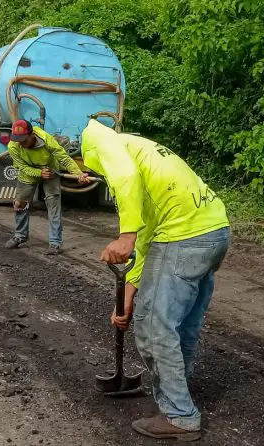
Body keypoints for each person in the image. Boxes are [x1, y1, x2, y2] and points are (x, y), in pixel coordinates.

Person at [80, 119, 231, 441]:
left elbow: (124, 179)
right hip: (214, 232)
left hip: (183, 238)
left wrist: (125, 236)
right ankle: (180, 386)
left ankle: (180, 416)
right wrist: (129, 297)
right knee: (182, 324)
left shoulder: (103, 144)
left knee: (154, 330)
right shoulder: (141, 148)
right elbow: (150, 235)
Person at [4, 119, 90, 255]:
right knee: (20, 204)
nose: (21, 143)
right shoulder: (13, 146)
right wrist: (38, 173)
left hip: (50, 170)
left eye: (24, 139)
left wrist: (78, 174)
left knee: (53, 204)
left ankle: (55, 243)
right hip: (28, 173)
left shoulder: (46, 140)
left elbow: (64, 158)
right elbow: (21, 166)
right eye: (18, 139)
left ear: (32, 135)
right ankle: (20, 236)